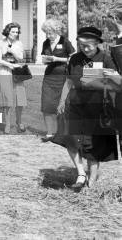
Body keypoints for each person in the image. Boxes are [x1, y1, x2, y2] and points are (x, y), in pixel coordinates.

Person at [54, 26, 120, 188]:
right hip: (75, 106)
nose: (85, 48)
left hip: (97, 108)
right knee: (70, 140)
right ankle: (81, 174)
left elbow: (116, 84)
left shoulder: (106, 58)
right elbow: (69, 81)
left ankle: (92, 181)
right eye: (82, 45)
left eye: (89, 45)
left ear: (97, 43)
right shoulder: (75, 58)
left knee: (93, 145)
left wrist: (97, 82)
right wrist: (62, 101)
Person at [40, 19, 75, 142]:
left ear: (56, 31)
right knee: (46, 104)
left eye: (50, 33)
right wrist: (46, 60)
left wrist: (56, 58)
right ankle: (50, 133)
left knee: (62, 105)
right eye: (46, 33)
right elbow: (43, 58)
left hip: (63, 77)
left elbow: (72, 58)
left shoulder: (65, 42)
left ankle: (61, 133)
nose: (48, 36)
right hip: (49, 77)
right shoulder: (45, 43)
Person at [0, 22, 28, 134]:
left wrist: (13, 51)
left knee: (20, 98)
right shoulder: (0, 43)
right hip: (4, 71)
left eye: (17, 32)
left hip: (17, 72)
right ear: (7, 31)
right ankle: (8, 124)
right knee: (7, 100)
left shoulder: (19, 43)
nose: (15, 33)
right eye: (13, 31)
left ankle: (19, 122)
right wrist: (10, 65)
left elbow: (21, 59)